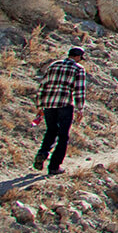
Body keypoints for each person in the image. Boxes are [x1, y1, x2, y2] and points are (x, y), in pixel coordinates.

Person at [33, 46, 88, 175]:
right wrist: (80, 109)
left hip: (49, 104)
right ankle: (54, 166)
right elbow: (79, 91)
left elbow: (42, 86)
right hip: (64, 104)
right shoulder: (78, 69)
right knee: (63, 136)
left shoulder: (53, 65)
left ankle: (42, 153)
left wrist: (40, 106)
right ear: (78, 57)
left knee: (51, 131)